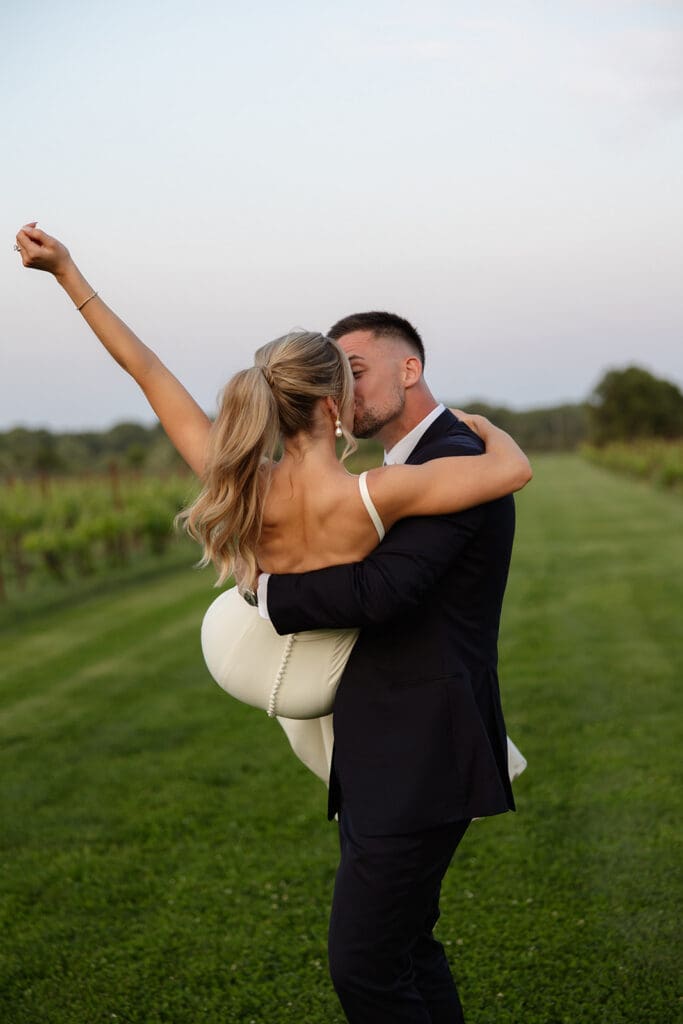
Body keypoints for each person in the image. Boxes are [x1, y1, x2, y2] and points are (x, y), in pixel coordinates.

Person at [15, 224, 531, 1023]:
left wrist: (68, 273)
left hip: (342, 719)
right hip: (357, 718)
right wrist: (500, 436)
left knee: (374, 956)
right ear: (331, 405)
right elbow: (510, 473)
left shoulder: (241, 484)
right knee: (389, 950)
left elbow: (145, 371)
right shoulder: (375, 496)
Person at [259, 311, 524, 1023]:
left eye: (357, 368)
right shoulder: (398, 468)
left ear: (409, 369)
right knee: (406, 947)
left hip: (422, 750)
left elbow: (383, 592)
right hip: (385, 747)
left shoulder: (455, 454)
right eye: (335, 372)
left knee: (365, 967)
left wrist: (265, 591)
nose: (343, 387)